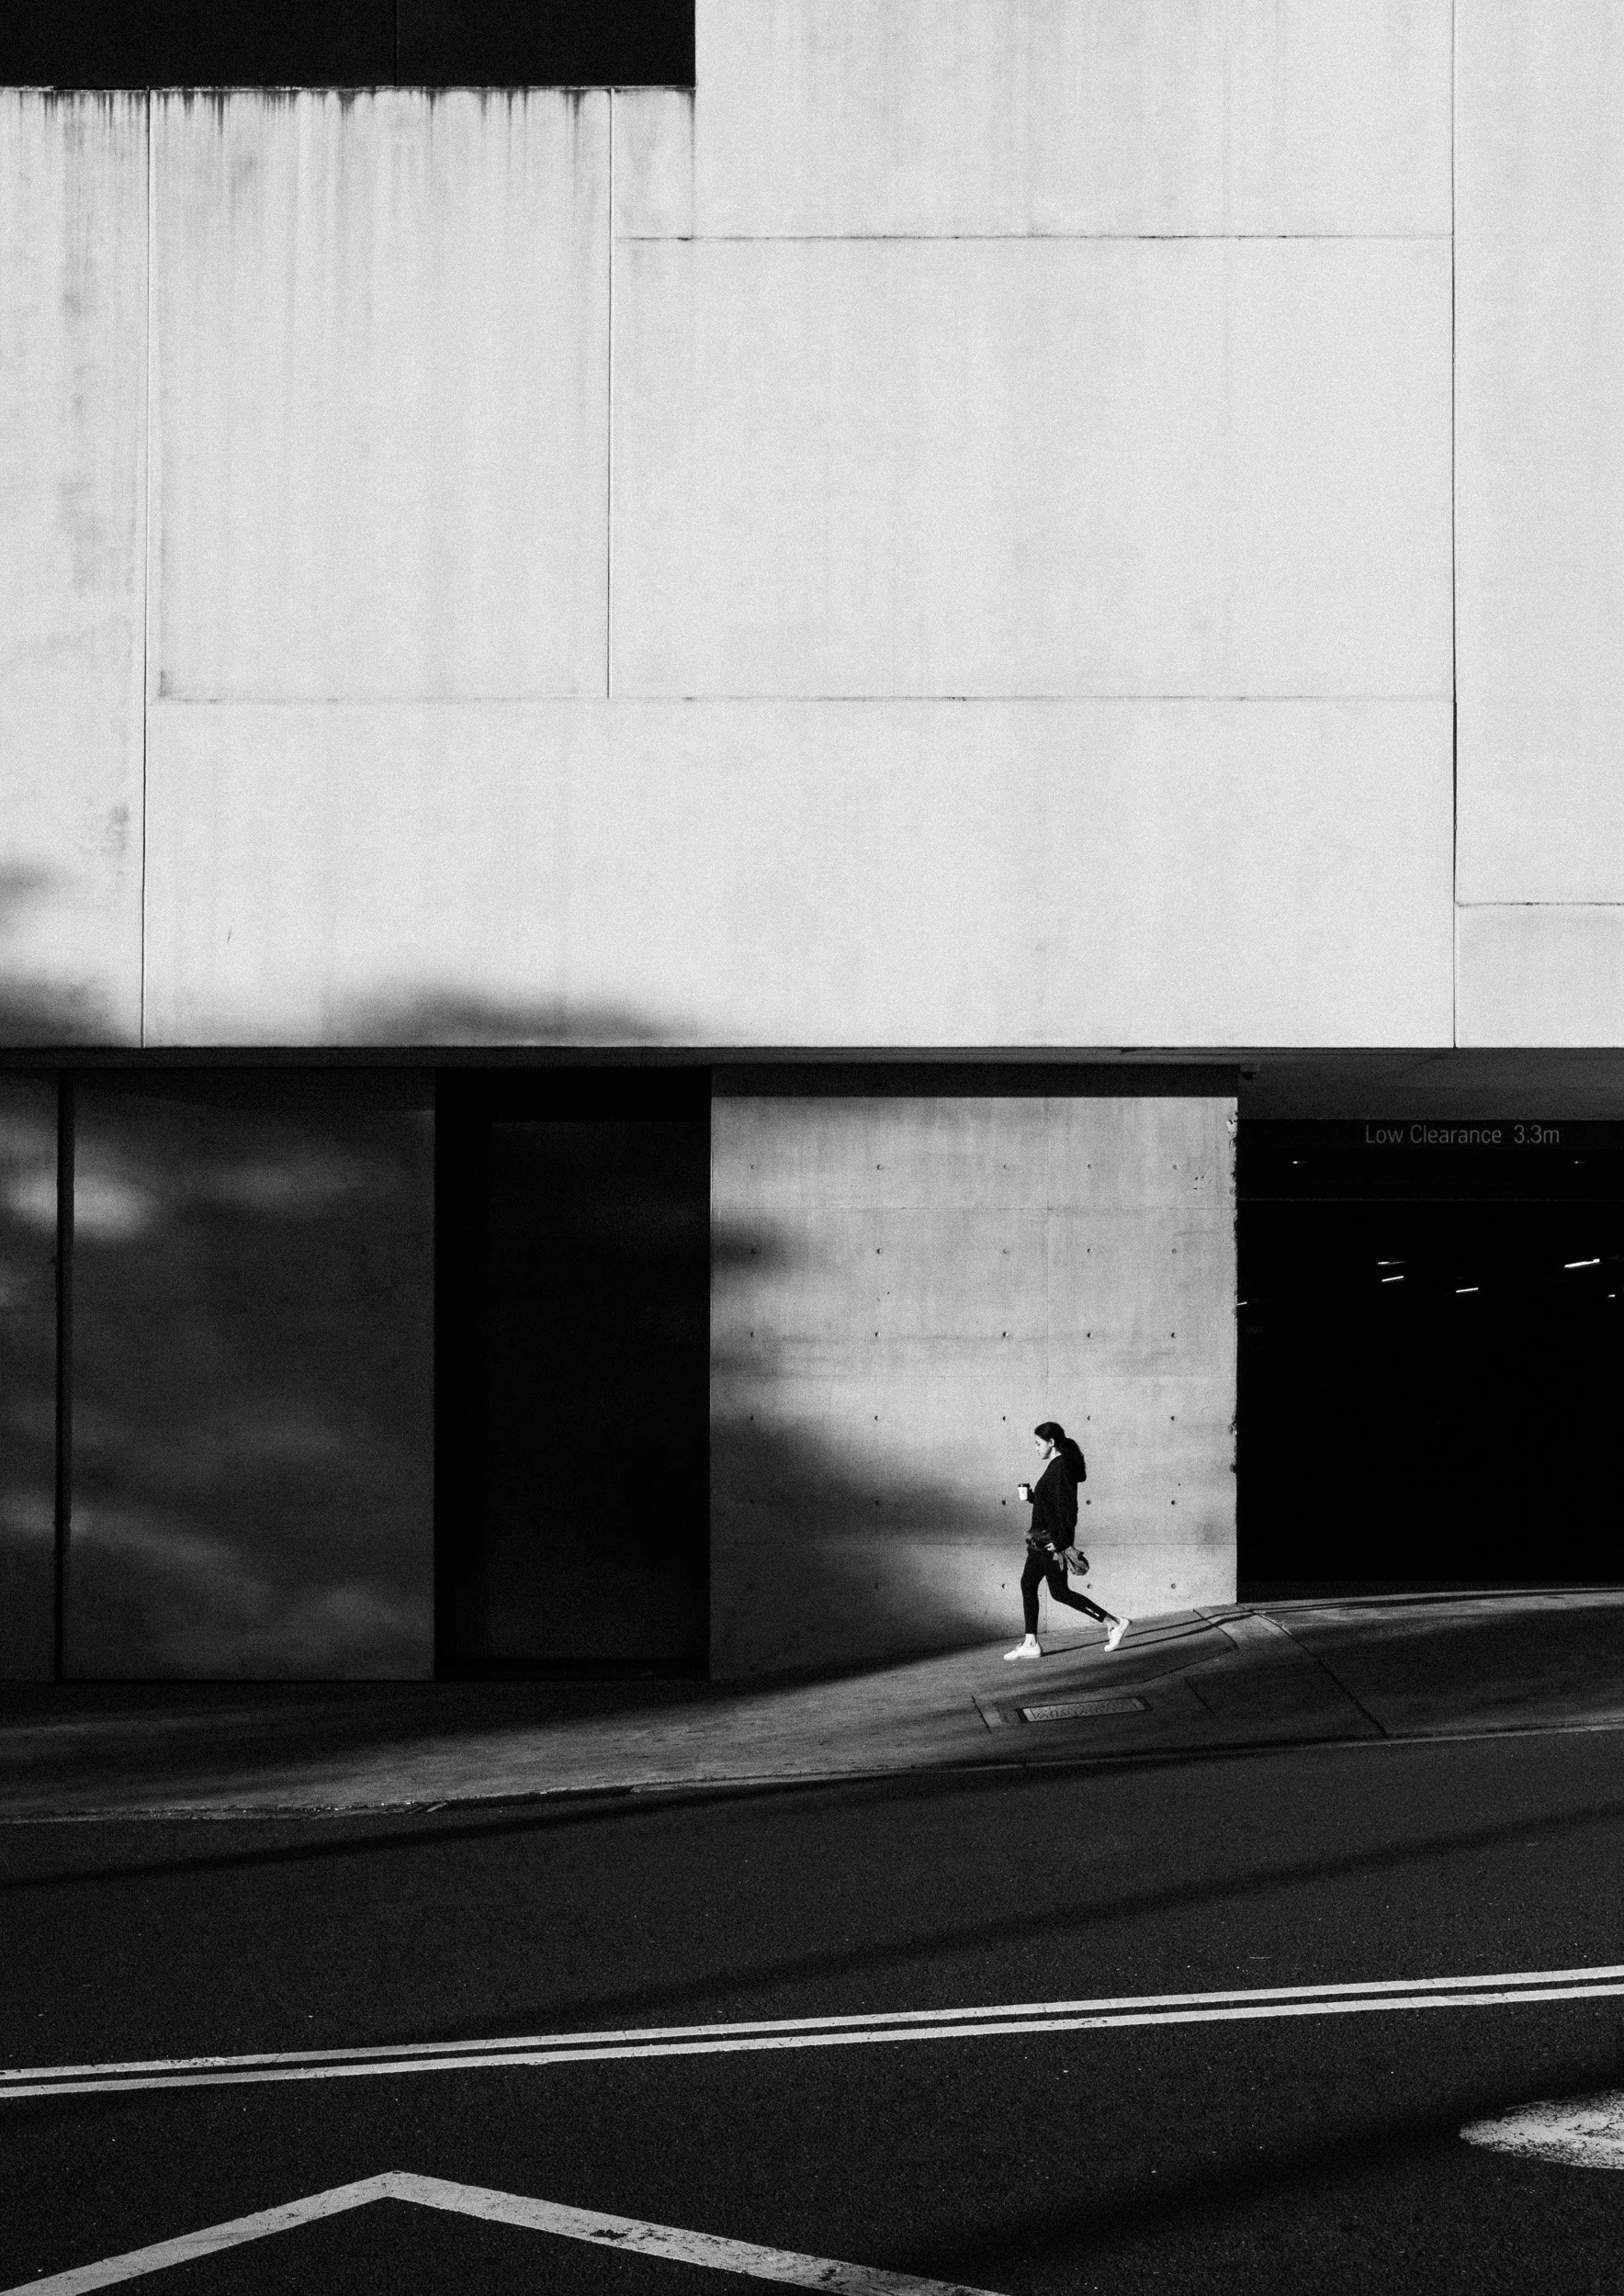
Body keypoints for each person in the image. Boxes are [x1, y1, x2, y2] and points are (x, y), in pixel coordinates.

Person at [1004, 1420, 1130, 1660]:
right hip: (1040, 1541)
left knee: (1060, 1592)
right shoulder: (1056, 1466)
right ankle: (1030, 1642)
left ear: (1051, 1443)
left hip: (1051, 1543)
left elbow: (1068, 1507)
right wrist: (1034, 1498)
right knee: (1029, 1584)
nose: (1036, 1448)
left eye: (1038, 1443)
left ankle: (1114, 1622)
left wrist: (1062, 1541)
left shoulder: (1061, 1467)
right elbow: (1052, 1502)